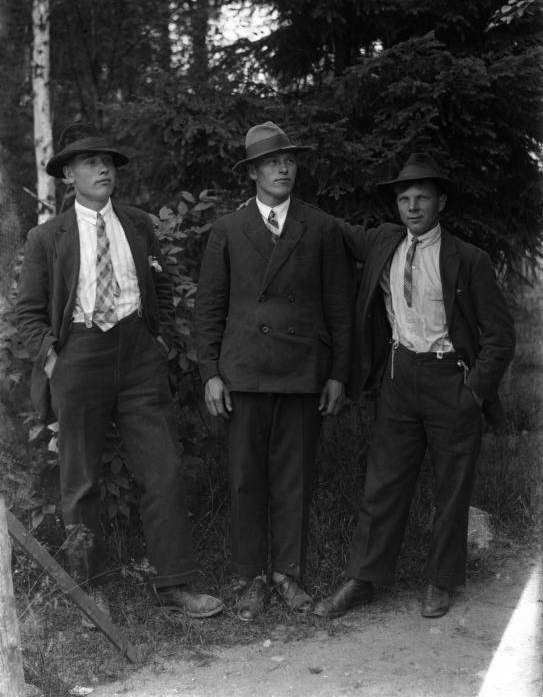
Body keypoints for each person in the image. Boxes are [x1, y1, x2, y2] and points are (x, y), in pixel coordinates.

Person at [16, 129, 224, 620]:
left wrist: (158, 339)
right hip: (78, 356)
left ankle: (175, 585)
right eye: (90, 162)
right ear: (68, 175)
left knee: (163, 470)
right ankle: (91, 590)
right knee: (80, 480)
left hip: (138, 357)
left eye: (107, 161)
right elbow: (28, 314)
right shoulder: (47, 237)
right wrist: (54, 359)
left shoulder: (137, 224)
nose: (103, 169)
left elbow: (161, 287)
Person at [313, 153, 515, 620]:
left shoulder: (468, 259)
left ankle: (441, 580)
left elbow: (500, 337)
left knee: (452, 488)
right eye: (404, 199)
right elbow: (337, 228)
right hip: (399, 379)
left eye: (422, 198)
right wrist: (280, 202)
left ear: (440, 202)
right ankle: (363, 579)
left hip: (451, 382)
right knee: (383, 482)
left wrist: (473, 392)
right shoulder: (384, 242)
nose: (413, 207)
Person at [192, 121, 352, 621]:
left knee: (294, 476)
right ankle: (249, 578)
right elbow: (208, 308)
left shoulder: (320, 227)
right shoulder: (227, 230)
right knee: (245, 478)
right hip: (243, 372)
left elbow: (340, 309)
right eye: (271, 162)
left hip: (302, 371)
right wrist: (209, 372)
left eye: (288, 161)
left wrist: (338, 373)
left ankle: (287, 573)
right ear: (253, 173)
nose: (283, 169)